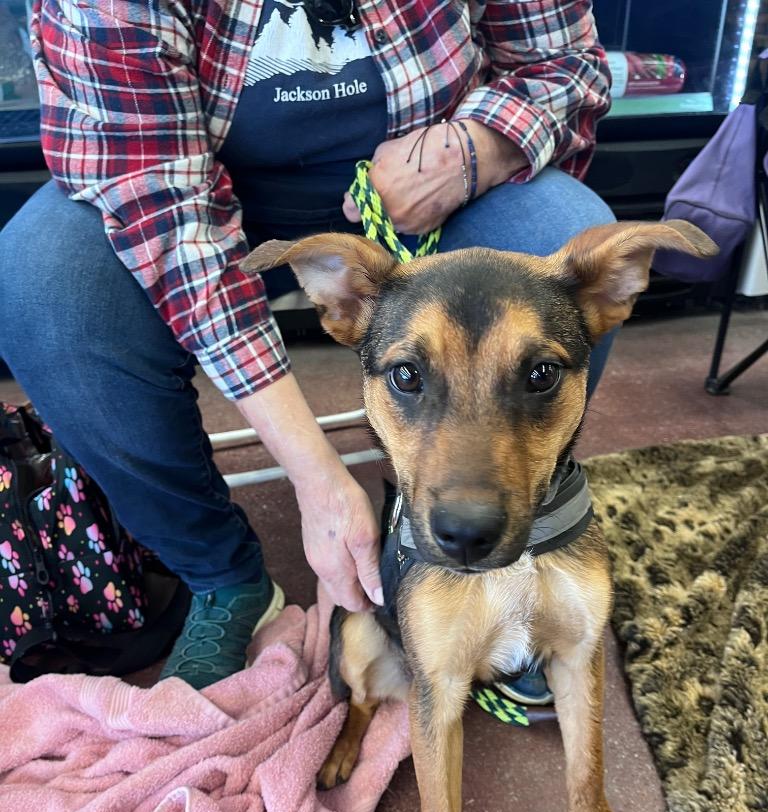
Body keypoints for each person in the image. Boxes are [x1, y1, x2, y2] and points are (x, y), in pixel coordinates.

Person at [0, 0, 615, 695]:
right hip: (195, 186)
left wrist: (479, 147)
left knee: (565, 232)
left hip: (436, 182)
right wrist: (316, 478)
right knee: (43, 286)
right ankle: (221, 576)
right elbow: (164, 210)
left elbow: (564, 63)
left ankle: (491, 545)